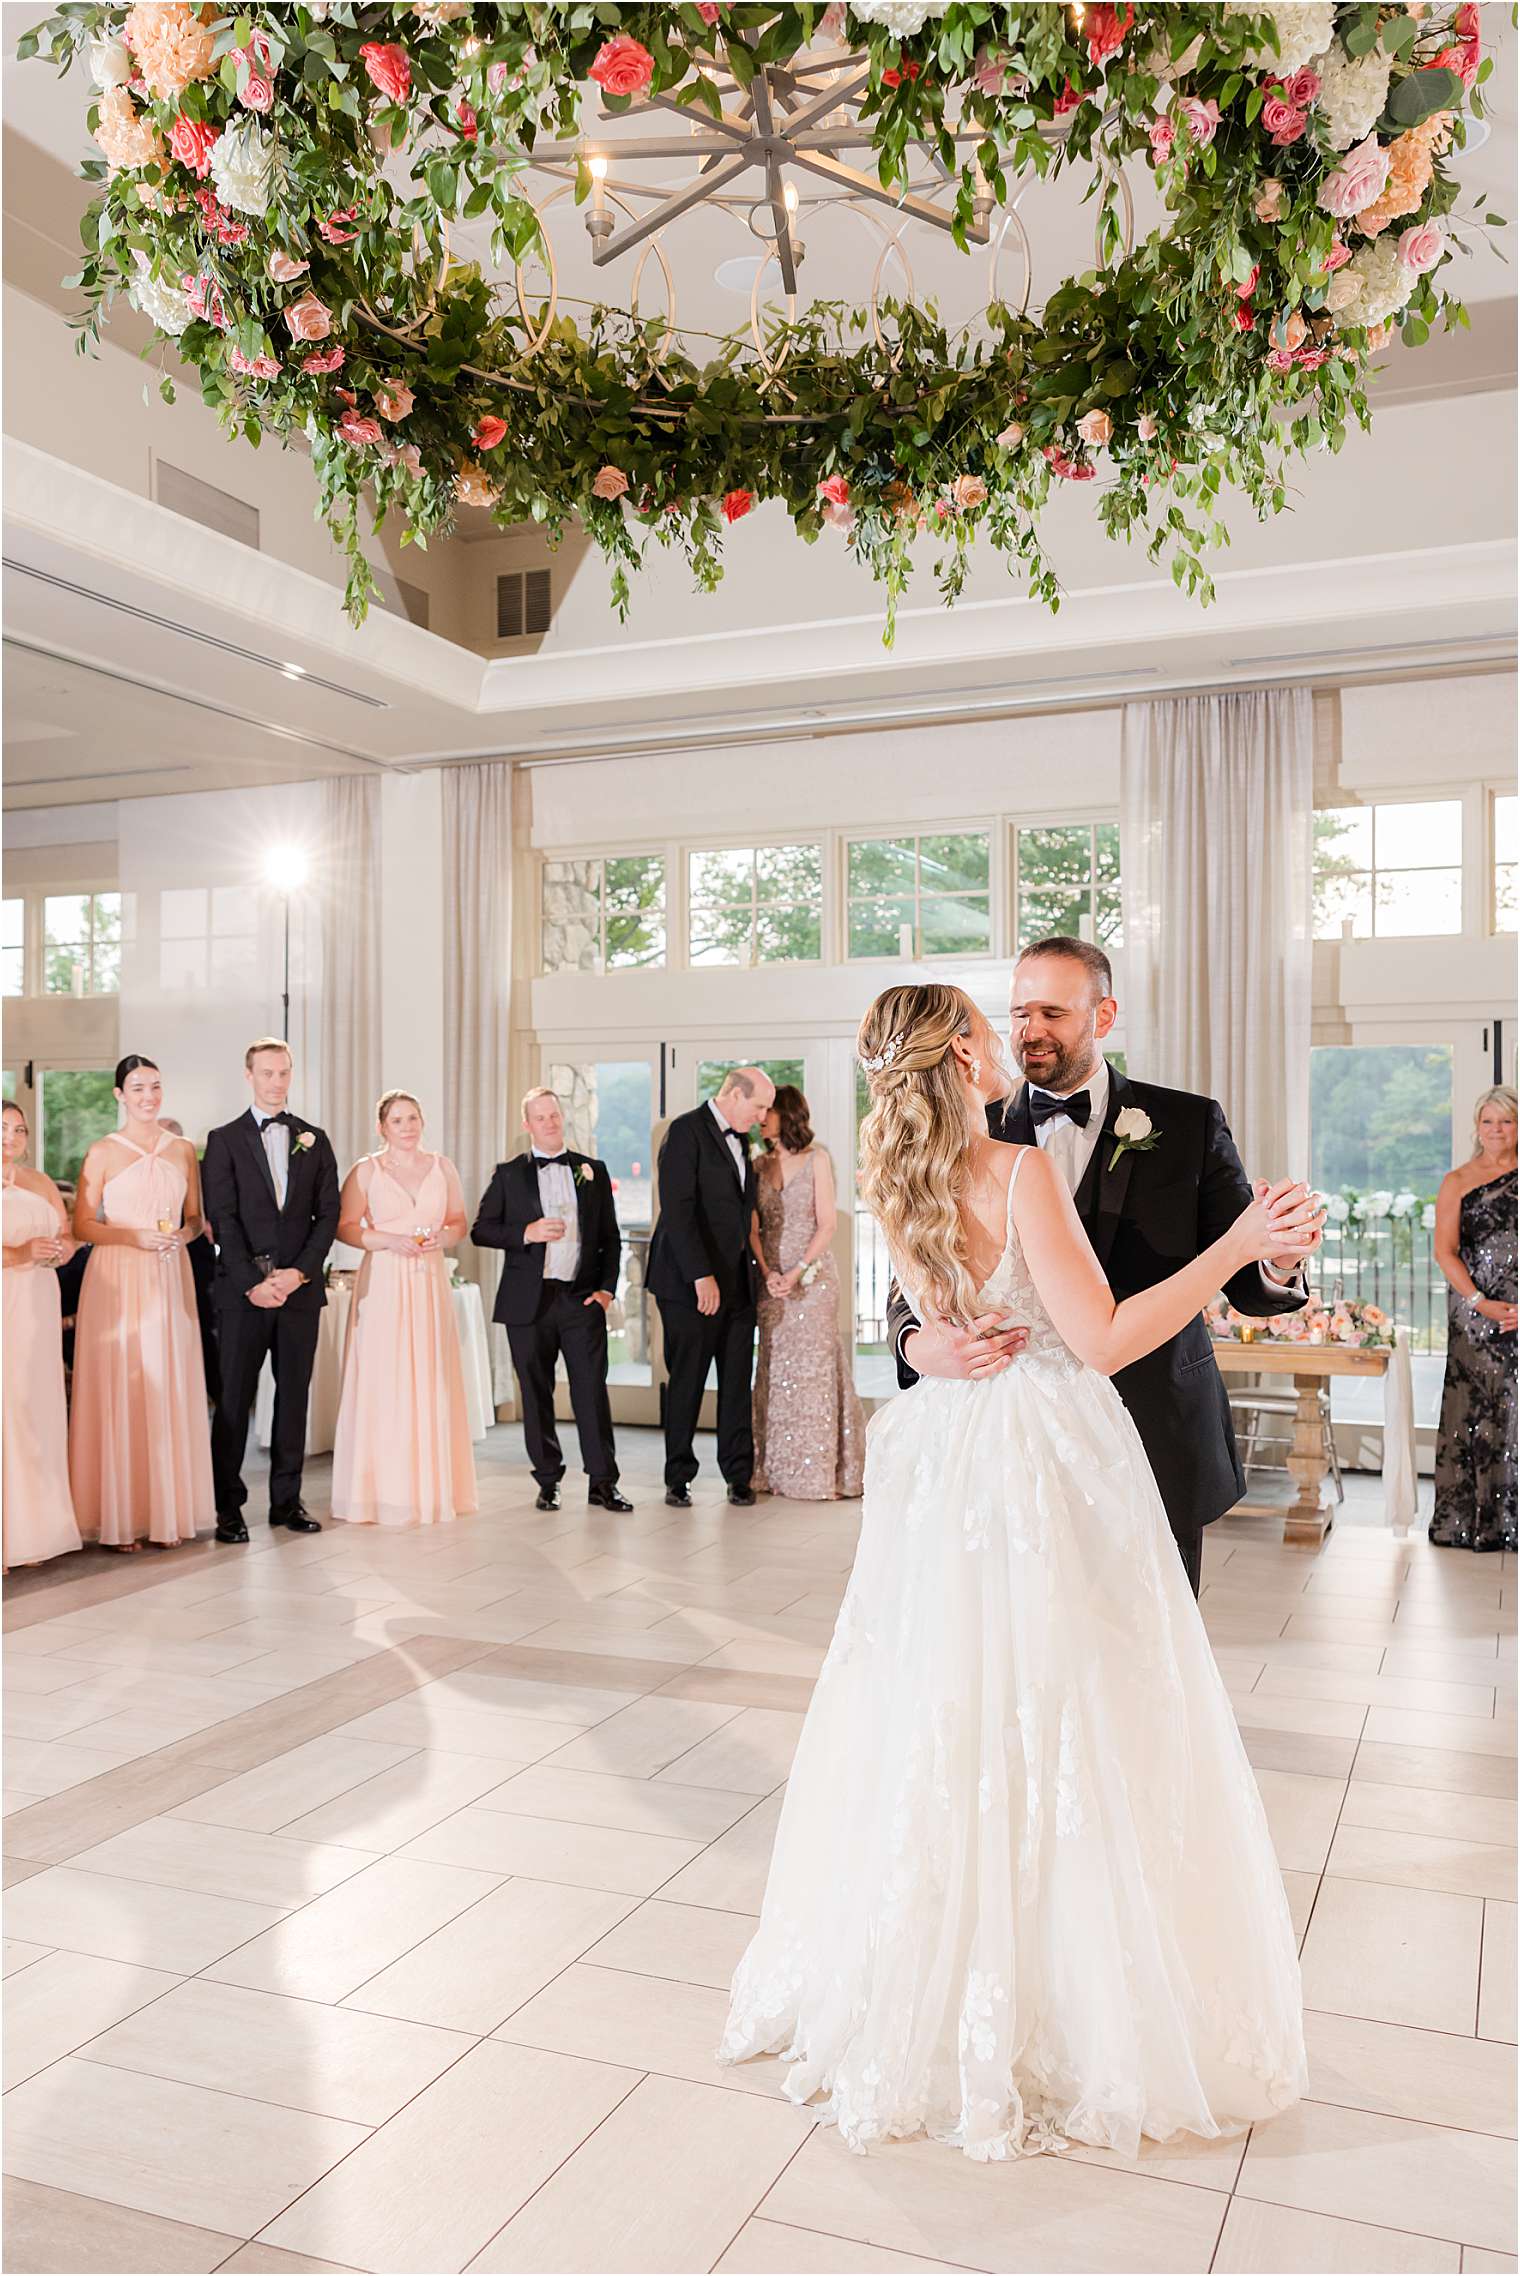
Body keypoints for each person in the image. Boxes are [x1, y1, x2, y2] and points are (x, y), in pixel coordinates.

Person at [721, 982, 1317, 2160]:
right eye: (987, 1028)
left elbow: (924, 1305)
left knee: (945, 1703)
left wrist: (922, 1343)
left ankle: (944, 1980)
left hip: (947, 1458)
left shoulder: (898, 1179)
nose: (1006, 1041)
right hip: (1043, 1451)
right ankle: (1066, 1996)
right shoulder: (1017, 1169)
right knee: (1073, 1705)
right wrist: (1236, 1244)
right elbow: (1095, 1340)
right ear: (956, 1054)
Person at [887, 937, 1318, 1596]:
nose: (1031, 1031)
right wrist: (918, 1345)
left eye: (1053, 1013)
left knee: (1151, 1648)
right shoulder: (963, 1124)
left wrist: (1279, 1255)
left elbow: (1246, 1279)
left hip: (1155, 1425)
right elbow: (910, 1281)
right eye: (1019, 1013)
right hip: (1014, 1440)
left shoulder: (1187, 1124)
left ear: (1103, 1016)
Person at [69, 1056, 214, 1549]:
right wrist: (133, 1237)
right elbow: (82, 1227)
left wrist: (181, 1234)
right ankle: (120, 1516)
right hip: (116, 1276)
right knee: (123, 1386)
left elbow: (195, 1218)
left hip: (170, 1274)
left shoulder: (182, 1151)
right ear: (119, 1095)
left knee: (164, 1385)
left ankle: (163, 1511)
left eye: (155, 1086)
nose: (148, 1096)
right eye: (137, 1087)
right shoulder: (102, 1151)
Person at [201, 1038, 340, 1543]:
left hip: (299, 1292)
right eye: (267, 1073)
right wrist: (252, 1284)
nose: (277, 1082)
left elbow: (328, 1216)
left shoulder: (315, 1140)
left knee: (293, 1399)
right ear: (249, 1075)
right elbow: (223, 1217)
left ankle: (287, 1501)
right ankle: (229, 1508)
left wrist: (299, 1274)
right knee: (234, 1400)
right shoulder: (223, 1139)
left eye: (284, 1073)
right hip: (243, 1294)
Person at [472, 1086, 631, 1514]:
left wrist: (606, 1290)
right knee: (536, 1393)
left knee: (591, 1392)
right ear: (527, 1125)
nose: (550, 1123)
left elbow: (612, 1239)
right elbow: (481, 1229)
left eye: (554, 1115)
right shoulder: (508, 1175)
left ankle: (603, 1482)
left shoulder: (592, 1170)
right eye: (540, 1117)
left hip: (581, 1300)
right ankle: (547, 1480)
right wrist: (526, 1233)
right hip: (529, 1303)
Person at [330, 1090, 478, 1529]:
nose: (407, 1127)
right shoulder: (366, 1171)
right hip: (387, 1280)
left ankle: (430, 1489)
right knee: (386, 1377)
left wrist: (444, 1239)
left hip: (428, 1280)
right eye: (397, 1121)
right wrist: (385, 1241)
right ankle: (382, 1492)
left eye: (413, 1118)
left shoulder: (441, 1166)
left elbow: (458, 1221)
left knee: (429, 1375)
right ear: (382, 1128)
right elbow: (345, 1227)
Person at [647, 1067, 775, 1508]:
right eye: (758, 1106)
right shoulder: (686, 1132)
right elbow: (678, 1211)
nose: (762, 1117)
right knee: (688, 1381)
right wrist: (701, 1276)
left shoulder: (742, 1139)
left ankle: (739, 1475)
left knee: (737, 1382)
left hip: (738, 1282)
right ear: (734, 1095)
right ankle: (678, 1477)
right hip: (689, 1285)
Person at [750, 1084, 865, 1502]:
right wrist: (768, 1273)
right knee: (775, 1372)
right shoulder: (758, 1164)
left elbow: (827, 1223)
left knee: (814, 1371)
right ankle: (771, 1469)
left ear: (788, 1113)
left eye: (768, 1110)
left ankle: (820, 1473)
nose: (761, 1117)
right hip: (771, 1282)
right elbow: (753, 1229)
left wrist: (798, 1270)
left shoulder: (818, 1159)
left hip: (813, 1281)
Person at [1431, 1084, 1518, 1553]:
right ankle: (1469, 1523)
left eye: (1505, 1121)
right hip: (1474, 1313)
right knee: (1477, 1414)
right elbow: (1444, 1252)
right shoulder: (1458, 1180)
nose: (1496, 1130)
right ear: (1476, 1128)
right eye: (1488, 1121)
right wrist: (1480, 1301)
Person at [2, 1101, 82, 1570]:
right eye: (2, 1129)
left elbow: (67, 1232)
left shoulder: (40, 1181)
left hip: (38, 1299)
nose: (10, 1137)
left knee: (36, 1408)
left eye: (19, 1130)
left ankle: (34, 1531)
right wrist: (19, 1252)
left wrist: (60, 1250)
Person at [161, 1116, 220, 1405]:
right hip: (150, 1256)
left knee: (199, 1321)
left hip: (196, 1257)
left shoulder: (199, 1170)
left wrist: (210, 1226)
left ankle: (214, 1390)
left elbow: (218, 1209)